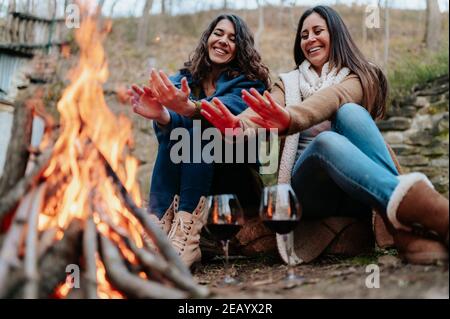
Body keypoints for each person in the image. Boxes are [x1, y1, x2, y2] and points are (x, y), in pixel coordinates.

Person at [201, 5, 449, 265]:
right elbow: (263, 110)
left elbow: (334, 98)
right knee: (325, 142)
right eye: (304, 35)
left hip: (358, 188)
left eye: (318, 31)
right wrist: (238, 124)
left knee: (349, 112)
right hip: (310, 191)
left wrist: (291, 117)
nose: (310, 39)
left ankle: (400, 225)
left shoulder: (361, 75)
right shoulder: (288, 83)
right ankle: (431, 212)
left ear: (336, 35)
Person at [128, 14, 270, 268]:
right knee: (178, 136)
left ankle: (187, 240)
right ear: (207, 38)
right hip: (189, 177)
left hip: (236, 180)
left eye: (232, 38)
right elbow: (169, 129)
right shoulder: (184, 80)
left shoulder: (250, 84)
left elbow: (223, 114)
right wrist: (162, 115)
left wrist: (188, 109)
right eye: (218, 33)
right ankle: (159, 227)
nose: (223, 41)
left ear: (242, 48)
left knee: (202, 129)